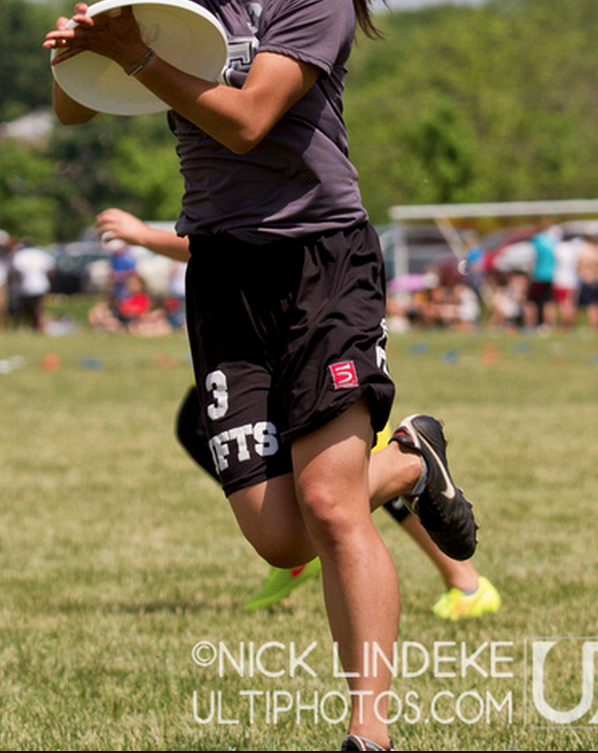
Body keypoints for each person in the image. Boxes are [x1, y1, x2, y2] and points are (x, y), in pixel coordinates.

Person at [45, 0, 478, 753]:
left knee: (330, 508)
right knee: (281, 538)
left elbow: (246, 121)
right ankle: (411, 460)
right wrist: (78, 53)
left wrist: (138, 57)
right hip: (223, 273)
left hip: (322, 264)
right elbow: (77, 107)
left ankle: (369, 730)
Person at [96, 207, 500, 620]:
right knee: (203, 425)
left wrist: (144, 236)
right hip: (256, 317)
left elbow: (248, 229)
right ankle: (304, 537)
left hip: (301, 310)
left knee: (355, 460)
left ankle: (462, 576)